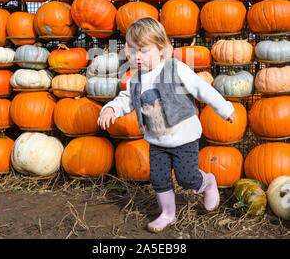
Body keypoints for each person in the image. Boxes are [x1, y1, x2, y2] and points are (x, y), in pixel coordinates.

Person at [97, 17, 236, 233]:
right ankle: (167, 214)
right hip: (157, 141)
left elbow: (202, 88)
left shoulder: (175, 69)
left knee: (186, 177)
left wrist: (225, 108)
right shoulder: (135, 80)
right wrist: (111, 108)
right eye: (133, 52)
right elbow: (126, 99)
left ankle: (206, 182)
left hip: (184, 138)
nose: (137, 57)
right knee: (159, 179)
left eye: (144, 50)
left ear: (162, 49)